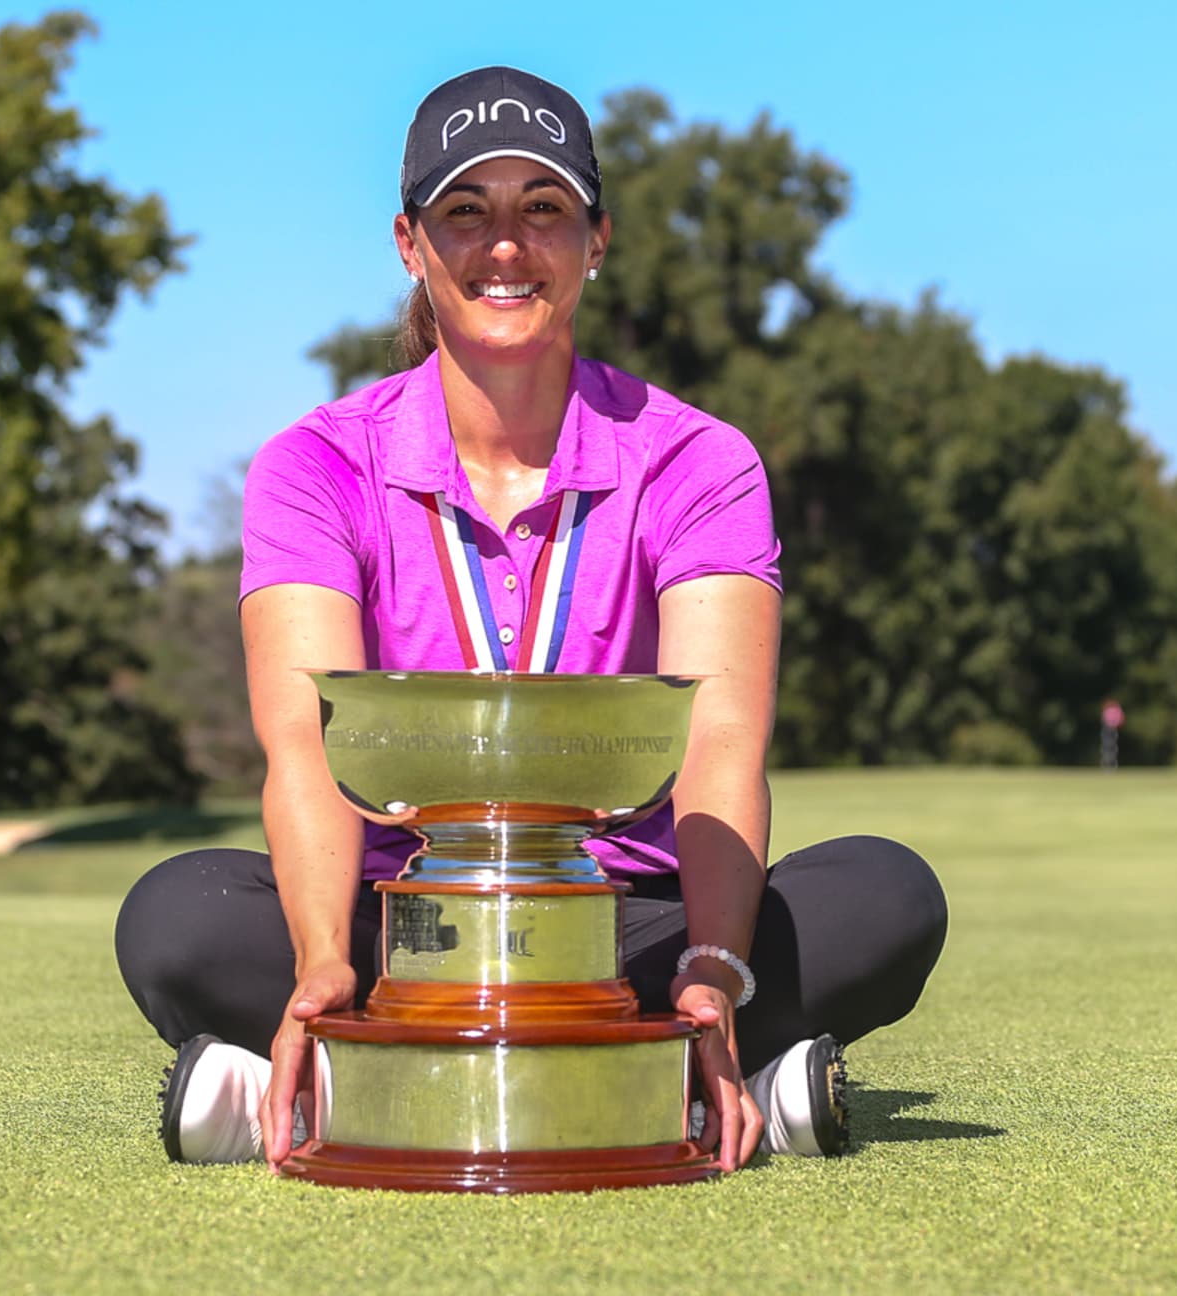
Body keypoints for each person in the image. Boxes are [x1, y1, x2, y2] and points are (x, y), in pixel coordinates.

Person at [114, 66, 946, 1174]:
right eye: (467, 211)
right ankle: (688, 1089)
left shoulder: (699, 460)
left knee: (887, 897)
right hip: (405, 922)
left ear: (596, 238)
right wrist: (320, 960)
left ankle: (370, 1080)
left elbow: (720, 744)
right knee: (179, 920)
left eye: (541, 208)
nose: (505, 245)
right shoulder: (314, 466)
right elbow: (307, 752)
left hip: (622, 921)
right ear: (411, 244)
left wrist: (708, 970)